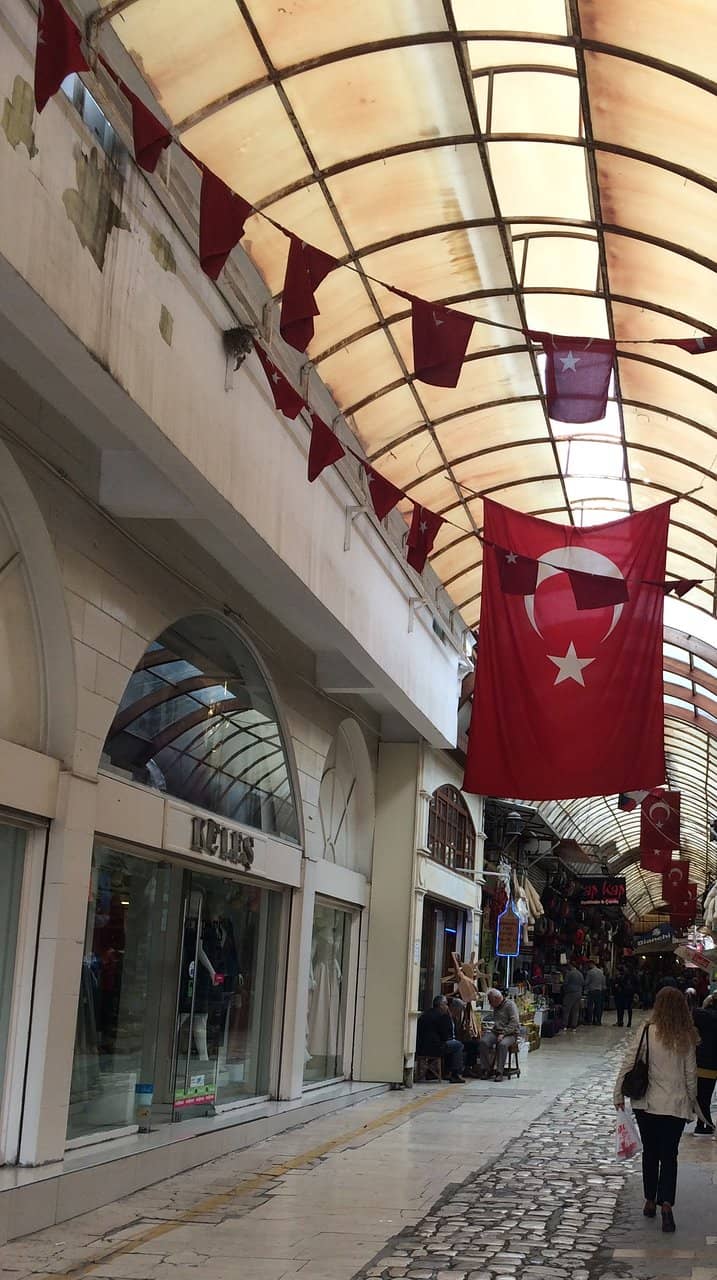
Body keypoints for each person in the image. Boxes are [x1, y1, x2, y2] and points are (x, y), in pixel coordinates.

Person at [614, 986, 700, 1233]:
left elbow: (629, 1062)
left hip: (647, 1104)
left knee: (651, 1152)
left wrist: (618, 1094)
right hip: (674, 1105)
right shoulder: (686, 1036)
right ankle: (667, 1206)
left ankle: (650, 1199)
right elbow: (691, 1075)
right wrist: (691, 1104)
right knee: (669, 1155)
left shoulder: (646, 1030)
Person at [415, 995, 465, 1084]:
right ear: (441, 1005)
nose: (447, 1007)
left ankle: (432, 1072)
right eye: (446, 1004)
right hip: (435, 1048)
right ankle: (455, 1074)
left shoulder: (424, 1015)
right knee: (458, 1045)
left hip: (420, 1048)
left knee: (449, 1044)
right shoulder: (442, 1016)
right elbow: (445, 1036)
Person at [479, 988, 520, 1081]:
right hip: (496, 1031)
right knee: (483, 1042)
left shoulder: (510, 1005)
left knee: (502, 1044)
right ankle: (486, 1069)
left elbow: (514, 1022)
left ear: (497, 999)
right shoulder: (496, 1007)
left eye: (491, 1001)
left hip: (510, 1033)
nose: (490, 1004)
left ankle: (499, 1071)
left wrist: (504, 1033)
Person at [692, 991, 717, 1135]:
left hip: (701, 1062)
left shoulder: (701, 1016)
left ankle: (703, 1125)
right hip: (713, 1065)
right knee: (706, 1096)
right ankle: (704, 1124)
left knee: (702, 1096)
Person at [449, 996, 481, 1076]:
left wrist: (466, 1030)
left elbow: (457, 1033)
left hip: (456, 1039)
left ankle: (468, 1068)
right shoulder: (447, 1017)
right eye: (458, 1010)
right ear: (454, 1008)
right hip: (450, 1040)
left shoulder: (455, 1018)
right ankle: (455, 1072)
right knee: (459, 1045)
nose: (459, 1012)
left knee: (474, 1044)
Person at [562, 960, 584, 1032]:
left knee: (567, 1009)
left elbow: (565, 983)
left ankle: (565, 1025)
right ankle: (574, 1026)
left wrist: (564, 989)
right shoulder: (580, 974)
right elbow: (583, 983)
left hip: (570, 993)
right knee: (575, 1010)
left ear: (571, 965)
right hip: (578, 993)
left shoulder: (569, 973)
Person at [584, 961, 606, 1025]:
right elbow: (603, 982)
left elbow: (586, 982)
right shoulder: (601, 972)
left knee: (590, 1006)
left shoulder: (590, 972)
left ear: (591, 964)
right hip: (599, 991)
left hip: (591, 991)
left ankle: (589, 1020)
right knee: (598, 1006)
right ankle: (598, 1020)